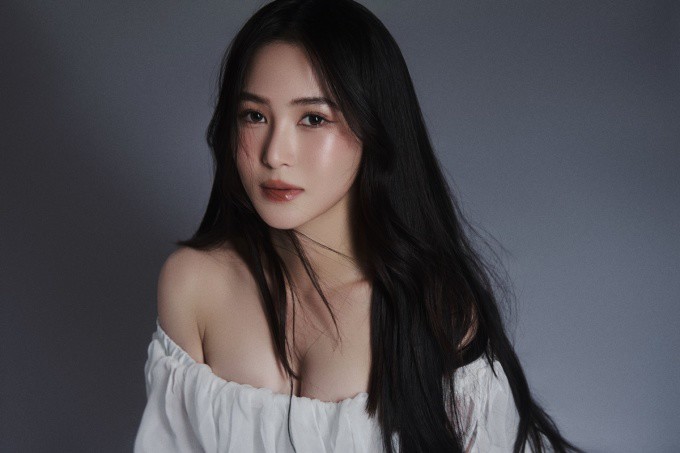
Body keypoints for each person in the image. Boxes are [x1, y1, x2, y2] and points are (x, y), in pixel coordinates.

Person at [134, 1, 583, 452]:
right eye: (254, 115)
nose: (274, 154)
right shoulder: (194, 284)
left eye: (313, 118)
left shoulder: (436, 312)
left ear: (374, 129)